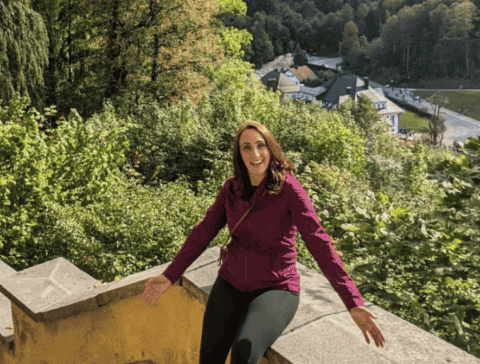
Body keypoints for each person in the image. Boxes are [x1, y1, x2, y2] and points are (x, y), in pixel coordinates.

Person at [141, 120, 385, 364]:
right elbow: (203, 232)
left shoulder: (289, 189)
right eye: (246, 147)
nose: (255, 154)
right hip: (231, 281)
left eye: (260, 145)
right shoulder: (232, 189)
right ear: (239, 154)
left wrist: (352, 301)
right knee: (209, 358)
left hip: (275, 286)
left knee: (243, 353)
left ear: (271, 149)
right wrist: (170, 275)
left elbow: (319, 243)